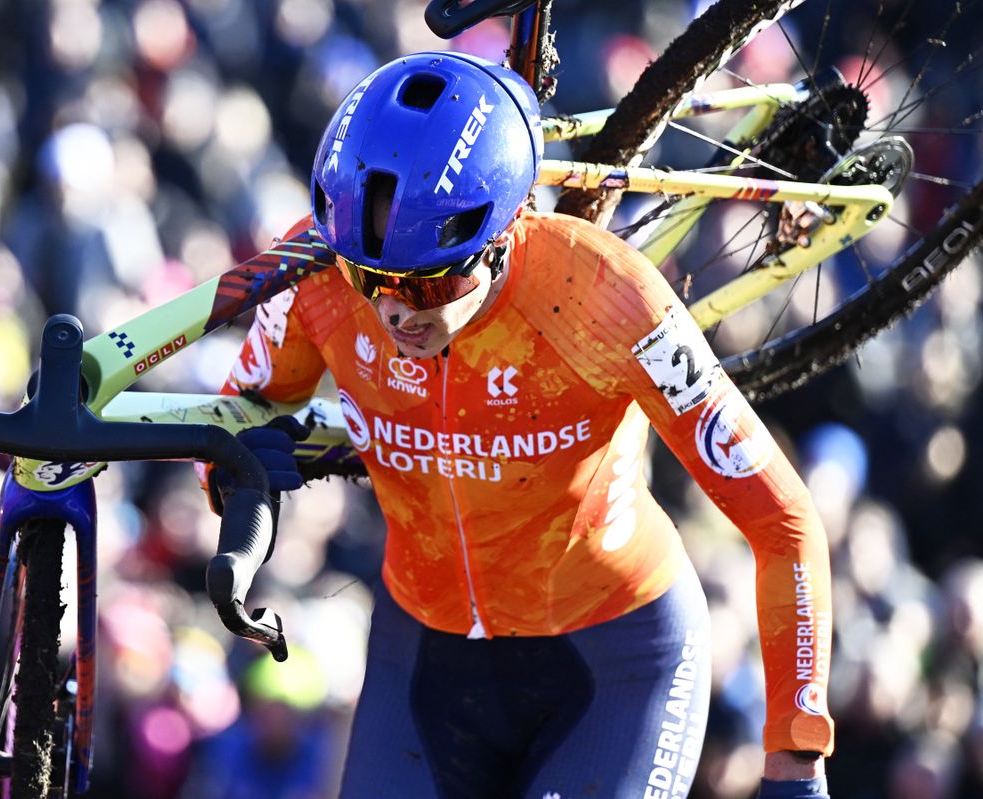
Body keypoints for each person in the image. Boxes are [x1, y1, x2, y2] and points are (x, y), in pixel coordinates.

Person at [206, 51, 834, 799]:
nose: (395, 309)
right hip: (426, 652)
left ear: (504, 233)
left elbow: (784, 519)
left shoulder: (608, 295)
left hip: (615, 659)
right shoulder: (319, 266)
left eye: (432, 277)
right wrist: (233, 471)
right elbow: (225, 425)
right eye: (369, 277)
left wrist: (797, 754)